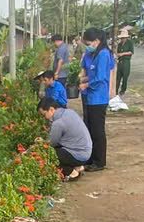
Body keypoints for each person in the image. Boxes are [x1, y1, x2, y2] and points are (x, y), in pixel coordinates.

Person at [78, 27, 114, 171]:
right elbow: (93, 74)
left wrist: (86, 84)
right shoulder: (95, 54)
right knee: (91, 129)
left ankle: (100, 162)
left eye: (89, 42)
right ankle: (92, 158)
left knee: (98, 131)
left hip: (98, 98)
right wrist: (84, 79)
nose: (88, 45)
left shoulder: (104, 54)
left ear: (97, 41)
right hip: (91, 97)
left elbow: (101, 78)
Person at [38, 95, 92, 179]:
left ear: (51, 109)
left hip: (78, 155)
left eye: (44, 114)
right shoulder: (69, 112)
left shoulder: (58, 123)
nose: (44, 117)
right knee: (58, 150)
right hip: (86, 152)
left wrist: (41, 142)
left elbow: (51, 143)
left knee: (48, 154)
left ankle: (71, 173)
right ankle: (78, 167)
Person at [110, 27, 135, 111]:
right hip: (120, 62)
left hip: (126, 61)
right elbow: (117, 52)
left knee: (125, 77)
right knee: (118, 78)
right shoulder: (120, 44)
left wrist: (123, 54)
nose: (123, 39)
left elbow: (131, 52)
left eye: (124, 38)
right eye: (122, 38)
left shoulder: (130, 43)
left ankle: (123, 90)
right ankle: (116, 91)